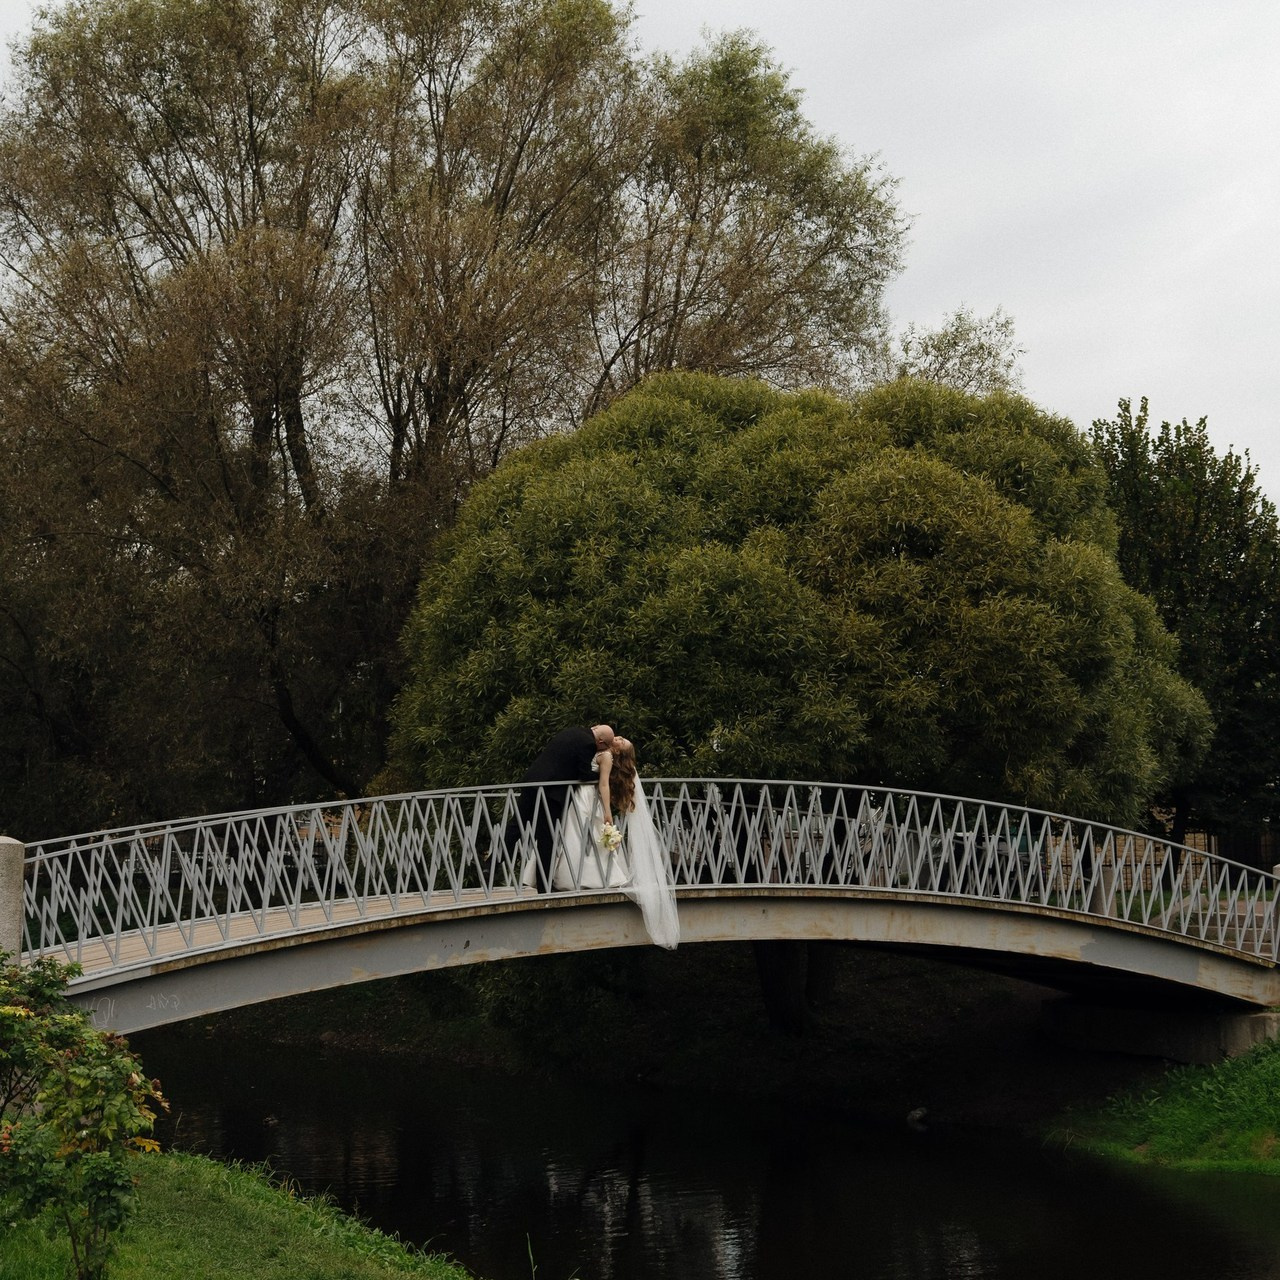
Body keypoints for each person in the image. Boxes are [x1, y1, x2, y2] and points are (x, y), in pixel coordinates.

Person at [521, 736, 680, 950]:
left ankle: (579, 877)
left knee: (579, 835)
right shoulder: (599, 750)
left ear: (619, 751)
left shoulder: (605, 756)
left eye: (622, 741)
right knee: (571, 835)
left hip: (586, 799)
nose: (619, 737)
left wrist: (606, 812)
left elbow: (604, 784)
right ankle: (565, 875)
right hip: (578, 796)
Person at [505, 723, 614, 892]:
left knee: (516, 826)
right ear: (600, 741)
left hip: (533, 782)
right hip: (551, 794)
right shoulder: (589, 744)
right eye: (606, 745)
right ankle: (544, 887)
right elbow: (584, 774)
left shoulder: (572, 730)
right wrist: (600, 775)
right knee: (547, 839)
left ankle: (491, 862)